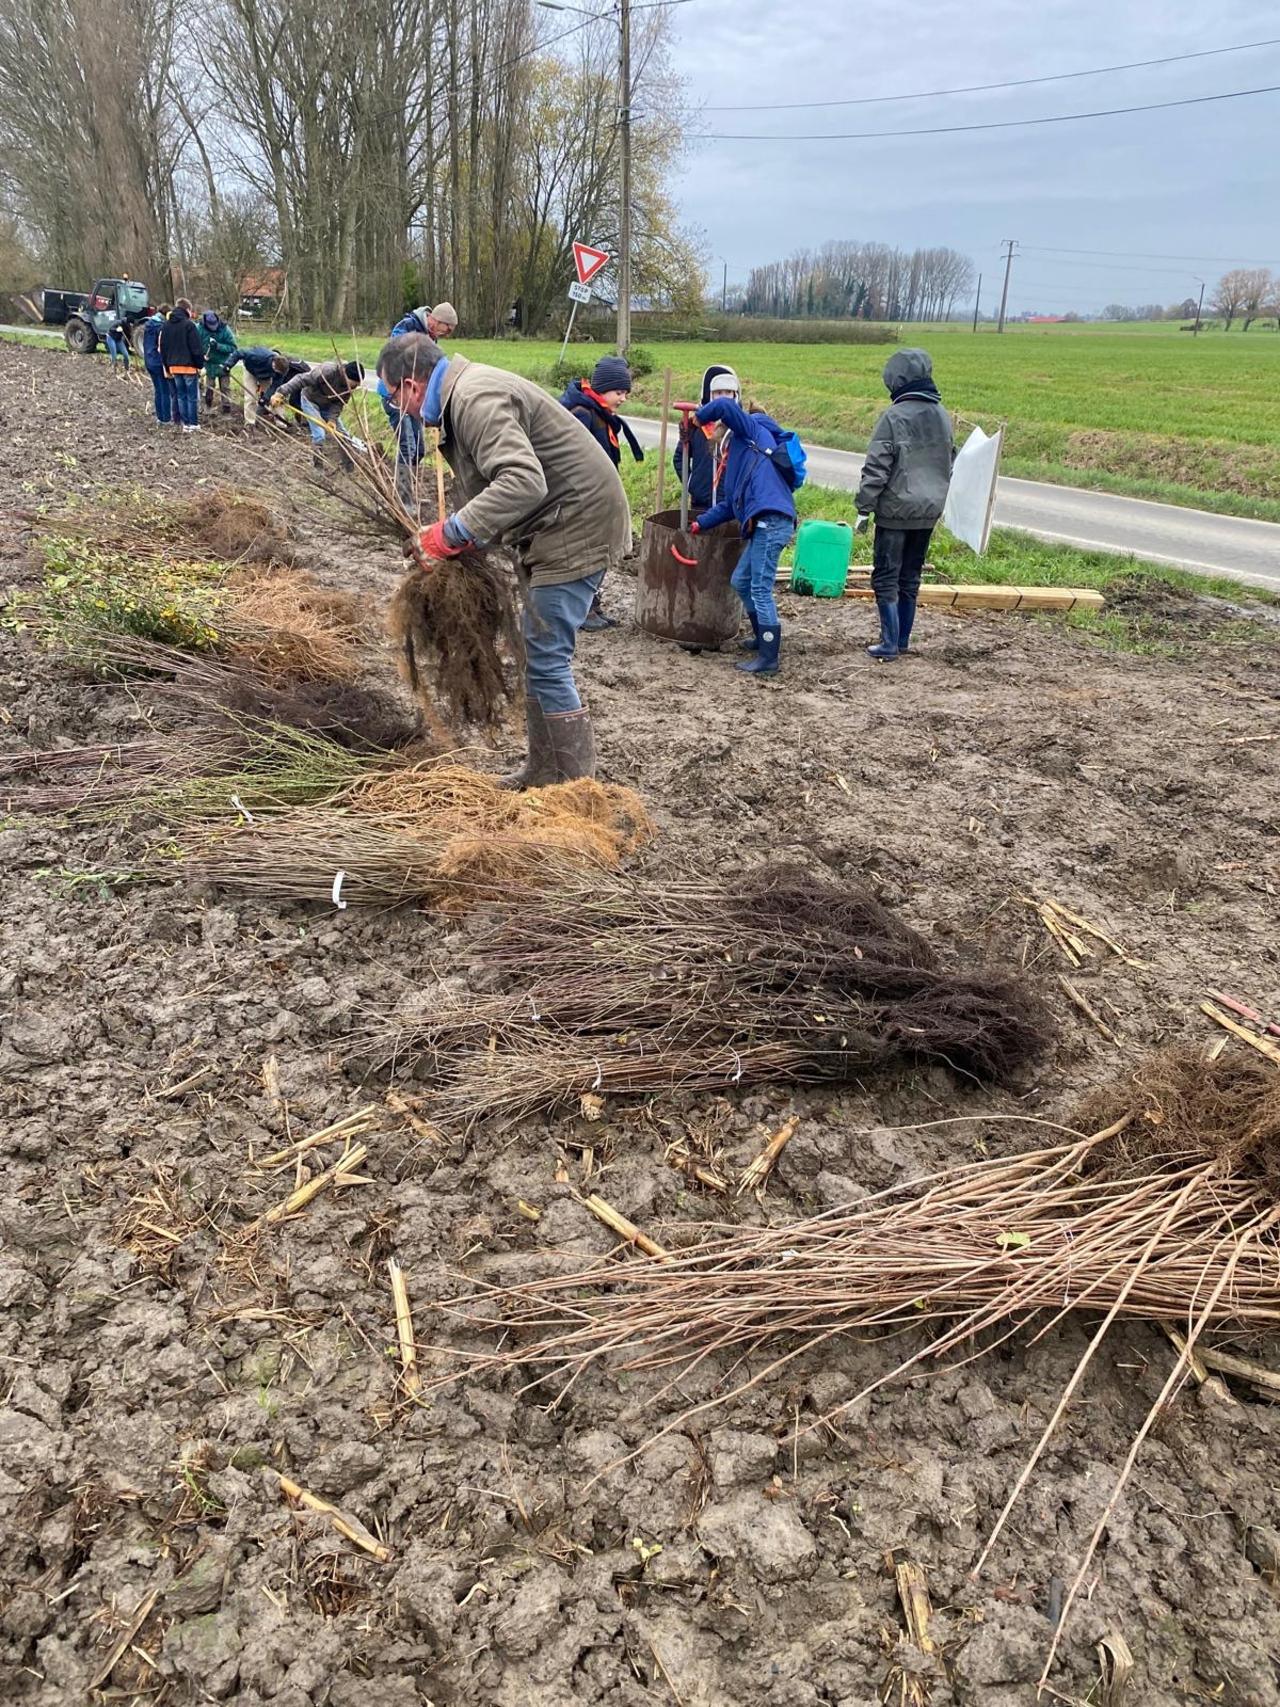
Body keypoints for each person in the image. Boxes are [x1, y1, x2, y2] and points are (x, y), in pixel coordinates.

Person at [377, 332, 631, 786]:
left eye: (393, 396)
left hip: (576, 523)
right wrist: (459, 538)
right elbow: (494, 486)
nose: (398, 408)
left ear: (411, 385)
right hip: (555, 520)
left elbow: (522, 482)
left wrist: (450, 533)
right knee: (538, 652)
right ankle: (544, 769)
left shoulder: (474, 399)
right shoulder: (461, 398)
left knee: (546, 655)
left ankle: (574, 788)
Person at [854, 349, 956, 661]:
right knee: (910, 577)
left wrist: (864, 508)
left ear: (895, 380)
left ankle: (888, 643)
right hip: (929, 511)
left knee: (886, 576)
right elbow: (950, 460)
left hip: (895, 511)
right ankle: (901, 641)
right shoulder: (942, 415)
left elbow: (877, 467)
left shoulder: (893, 417)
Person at [689, 387, 797, 678]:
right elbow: (729, 504)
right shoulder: (740, 460)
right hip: (762, 523)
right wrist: (700, 523)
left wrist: (699, 417)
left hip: (771, 521)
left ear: (726, 434)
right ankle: (761, 638)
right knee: (741, 580)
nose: (720, 455)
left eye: (718, 447)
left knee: (760, 587)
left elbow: (724, 404)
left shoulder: (752, 431)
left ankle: (768, 658)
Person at [558, 354, 644, 631]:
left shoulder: (600, 414)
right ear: (602, 389)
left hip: (597, 496)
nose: (623, 398)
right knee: (587, 554)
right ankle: (582, 609)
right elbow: (568, 459)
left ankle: (591, 605)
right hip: (583, 499)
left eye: (626, 393)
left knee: (598, 553)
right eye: (619, 392)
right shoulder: (582, 415)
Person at [378, 301, 459, 483]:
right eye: (447, 329)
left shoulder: (431, 336)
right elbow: (394, 357)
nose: (447, 334)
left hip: (415, 398)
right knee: (408, 446)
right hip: (396, 395)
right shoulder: (407, 326)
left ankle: (409, 487)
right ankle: (403, 493)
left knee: (419, 450)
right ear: (435, 320)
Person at [673, 364, 738, 510]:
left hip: (729, 506)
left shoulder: (740, 427)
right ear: (710, 395)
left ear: (735, 395)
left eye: (728, 392)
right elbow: (679, 458)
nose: (723, 398)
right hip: (700, 504)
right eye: (718, 393)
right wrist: (691, 484)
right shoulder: (696, 426)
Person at [271, 358, 367, 455]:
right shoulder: (327, 371)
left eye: (356, 385)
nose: (353, 387)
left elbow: (339, 403)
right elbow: (301, 379)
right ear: (345, 374)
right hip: (310, 401)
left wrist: (332, 419)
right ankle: (318, 459)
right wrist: (281, 393)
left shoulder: (350, 387)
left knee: (342, 434)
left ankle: (347, 459)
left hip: (328, 405)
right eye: (353, 383)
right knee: (319, 434)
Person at [158, 299, 205, 433]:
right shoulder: (189, 325)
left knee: (181, 396)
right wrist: (200, 364)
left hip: (174, 367)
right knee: (191, 397)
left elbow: (163, 348)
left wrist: (167, 366)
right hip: (189, 367)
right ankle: (193, 423)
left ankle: (185, 424)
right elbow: (196, 347)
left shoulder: (166, 326)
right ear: (187, 310)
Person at [238, 347, 307, 425]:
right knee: (250, 398)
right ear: (273, 364)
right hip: (250, 369)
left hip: (267, 375)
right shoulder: (258, 356)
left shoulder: (281, 370)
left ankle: (280, 422)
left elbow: (275, 386)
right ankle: (250, 423)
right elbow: (239, 352)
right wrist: (228, 365)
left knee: (275, 397)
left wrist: (265, 398)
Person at [200, 310, 239, 414]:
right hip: (209, 364)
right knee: (209, 387)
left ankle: (226, 409)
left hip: (223, 364)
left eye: (215, 324)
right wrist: (201, 355)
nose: (213, 327)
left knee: (225, 387)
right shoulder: (200, 329)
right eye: (210, 325)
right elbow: (195, 345)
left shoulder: (225, 330)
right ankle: (208, 407)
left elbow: (233, 347)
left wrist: (218, 346)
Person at [141, 303, 174, 424]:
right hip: (159, 362)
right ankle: (166, 418)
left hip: (149, 361)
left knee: (158, 390)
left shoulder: (148, 325)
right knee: (165, 391)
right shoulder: (161, 327)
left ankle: (160, 417)